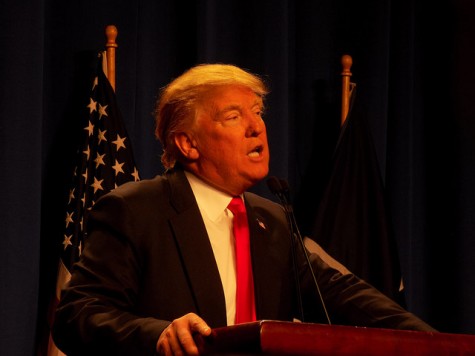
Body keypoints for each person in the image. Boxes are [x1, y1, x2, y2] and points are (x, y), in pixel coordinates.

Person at [52, 63, 436, 356]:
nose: (257, 127)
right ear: (187, 143)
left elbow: (347, 296)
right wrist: (159, 333)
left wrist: (436, 344)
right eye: (234, 117)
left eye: (257, 112)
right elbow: (76, 316)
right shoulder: (136, 210)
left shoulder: (271, 220)